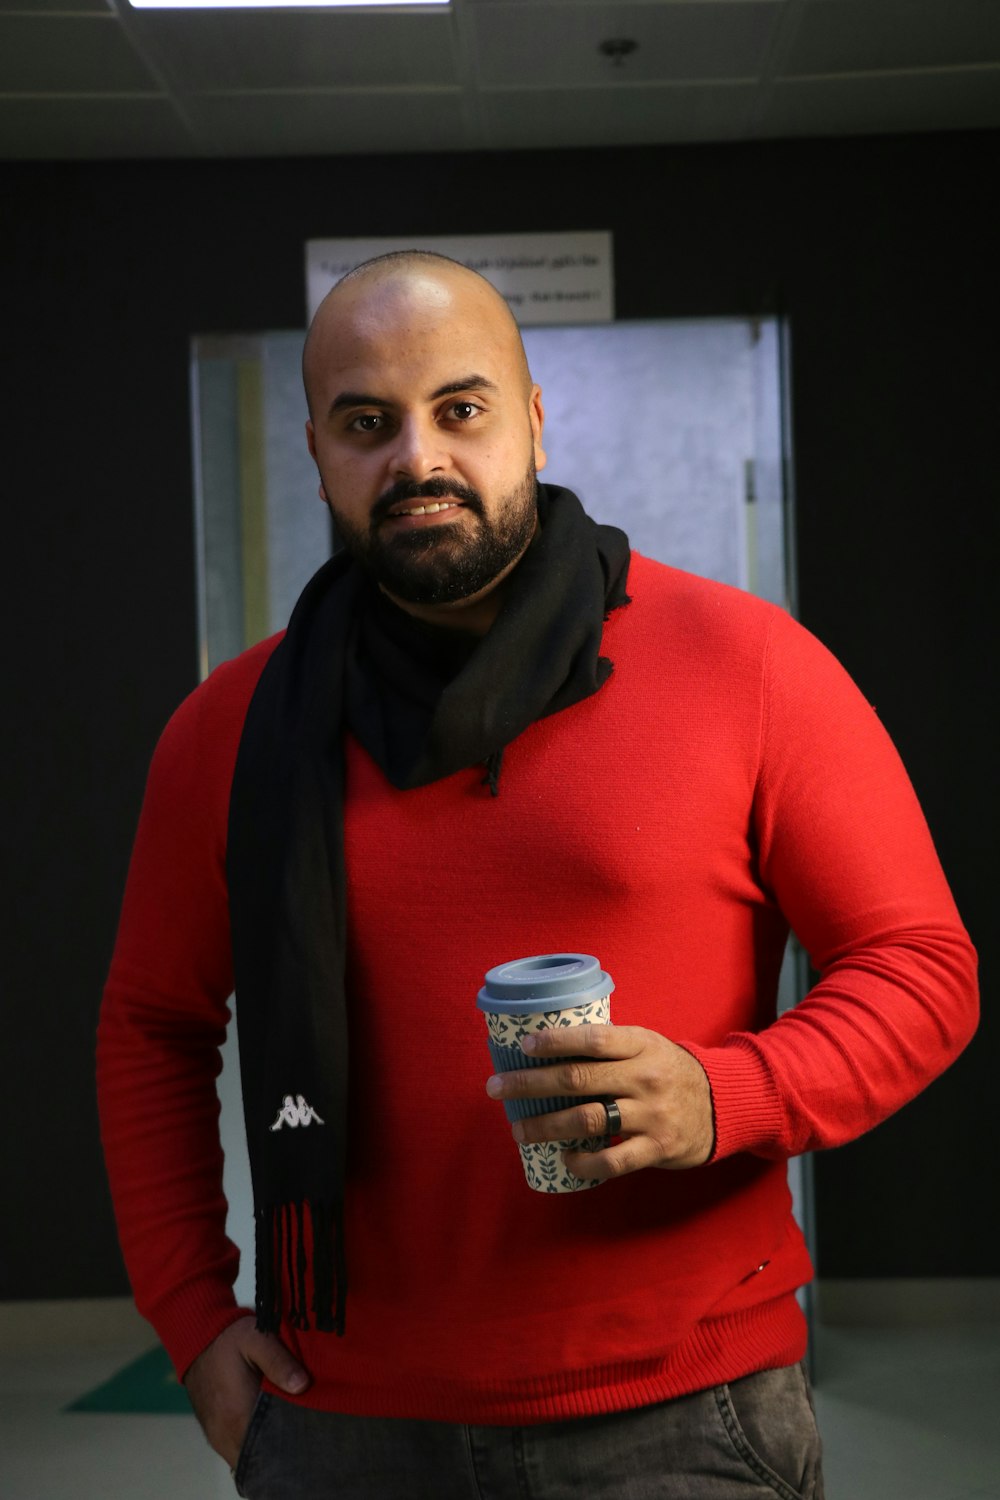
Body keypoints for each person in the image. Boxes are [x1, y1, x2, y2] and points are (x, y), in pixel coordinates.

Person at [97, 251, 978, 1500]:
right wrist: (190, 1316)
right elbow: (152, 1026)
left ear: (532, 418)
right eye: (366, 423)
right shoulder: (226, 732)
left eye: (460, 409)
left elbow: (922, 970)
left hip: (686, 1416)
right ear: (315, 449)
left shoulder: (748, 665)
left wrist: (723, 1095)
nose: (417, 459)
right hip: (338, 1414)